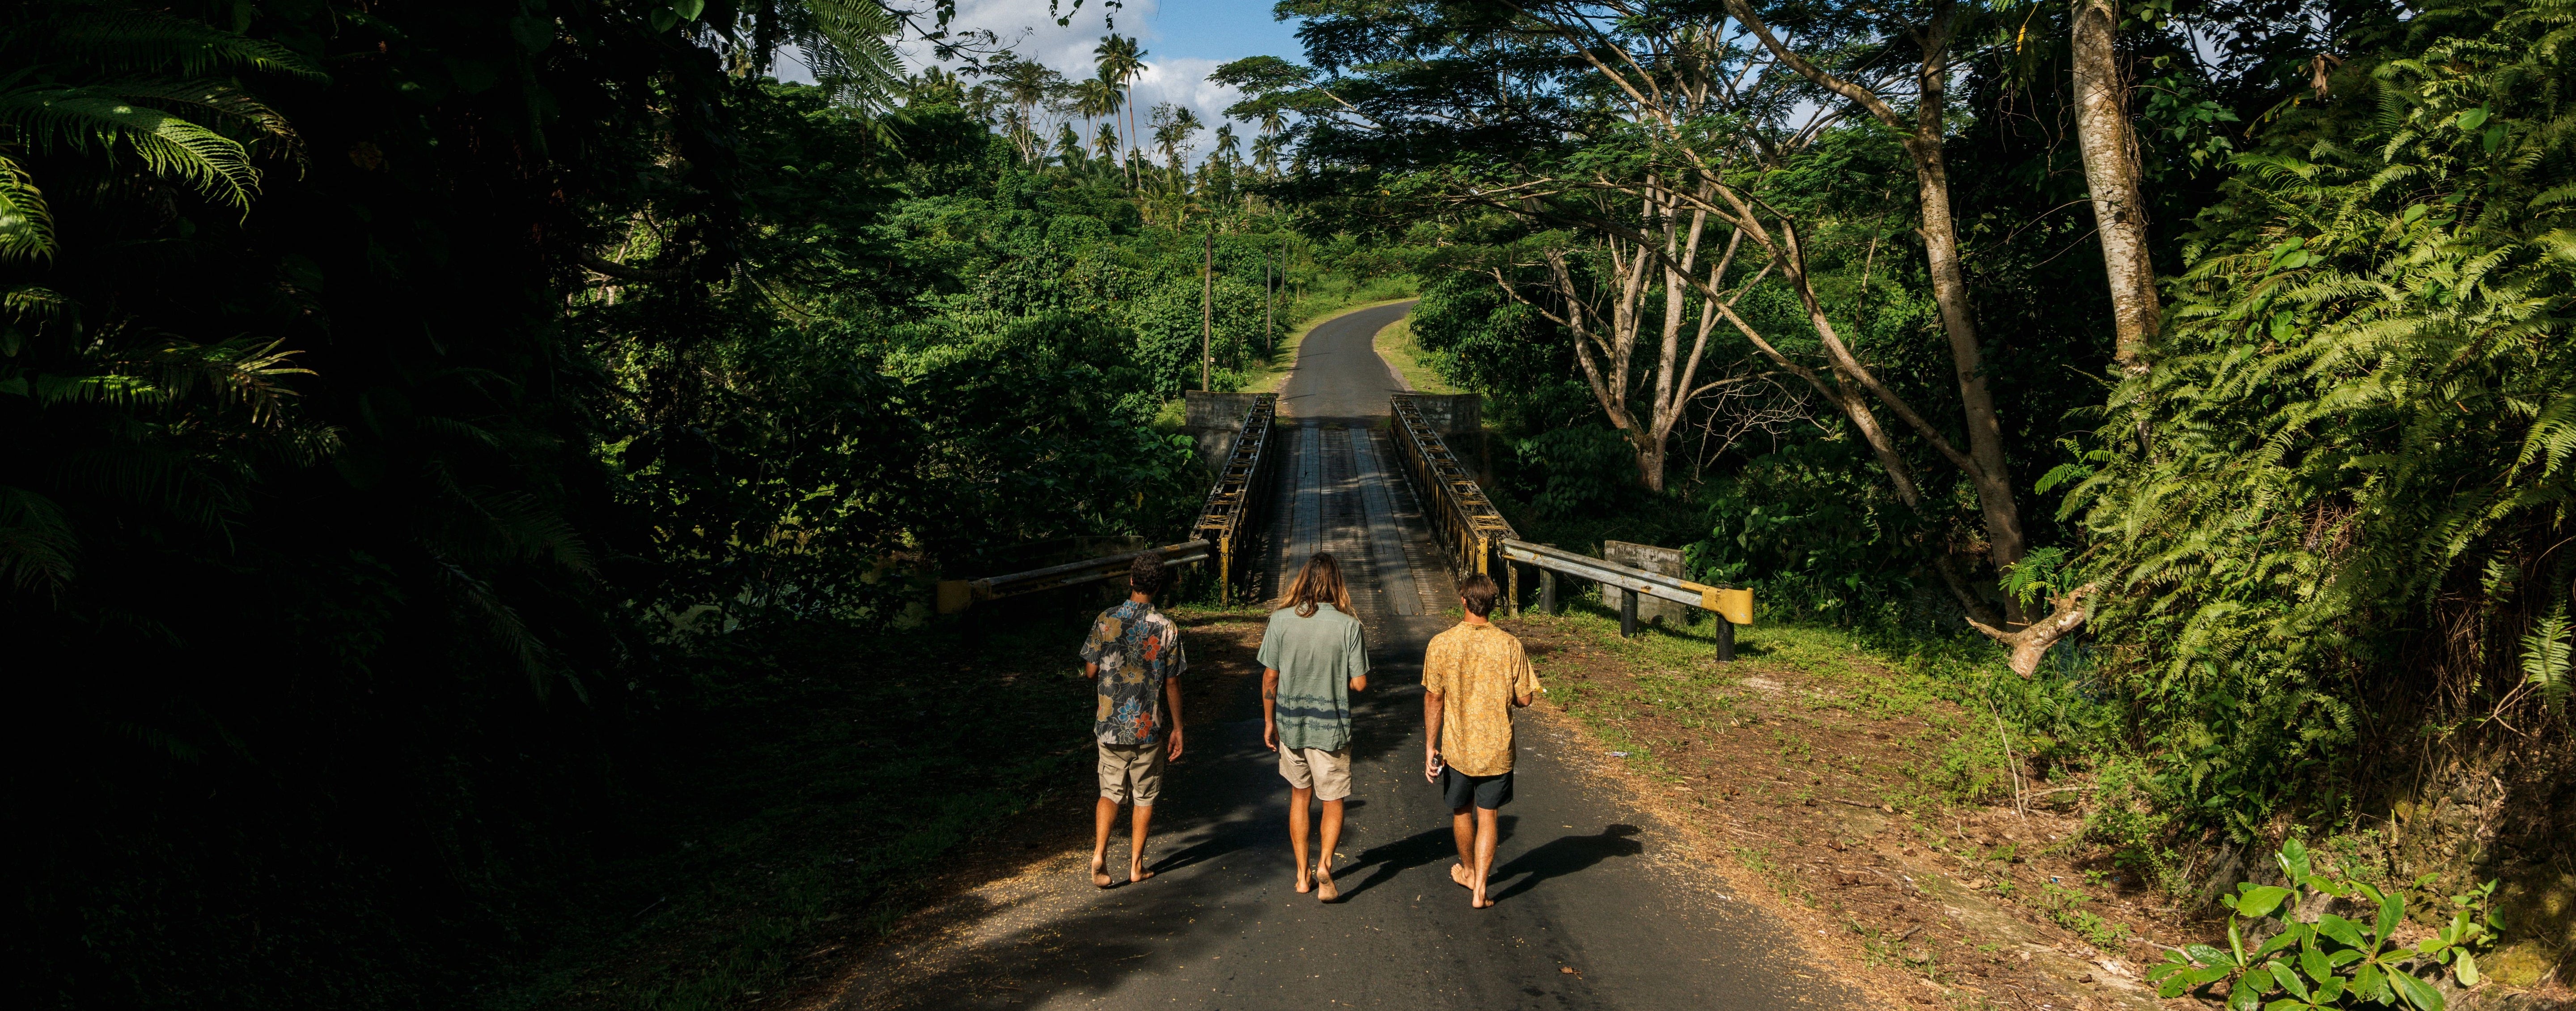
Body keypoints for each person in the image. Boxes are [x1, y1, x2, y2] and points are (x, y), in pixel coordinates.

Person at [1420, 572, 1539, 909]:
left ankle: (1469, 871)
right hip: (1497, 751)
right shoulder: (1509, 645)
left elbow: (1434, 698)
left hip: (1458, 749)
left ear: (1463, 600)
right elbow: (1526, 700)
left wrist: (1431, 745)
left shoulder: (1442, 644)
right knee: (1489, 816)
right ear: (1493, 605)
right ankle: (1481, 890)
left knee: (1462, 811)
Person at [1258, 552, 1369, 902]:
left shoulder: (1280, 621)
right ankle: (1324, 864)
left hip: (1291, 726)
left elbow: (1271, 677)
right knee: (1333, 800)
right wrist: (1342, 681)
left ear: (1303, 581)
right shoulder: (1349, 626)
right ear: (1337, 583)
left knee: (1300, 797)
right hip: (1330, 730)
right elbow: (1361, 684)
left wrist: (1268, 721)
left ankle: (1302, 875)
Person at [1079, 551, 1187, 888]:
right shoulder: (1167, 628)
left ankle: (1100, 853)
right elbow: (1172, 682)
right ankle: (1136, 866)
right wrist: (1179, 728)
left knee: (1110, 791)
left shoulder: (1106, 619)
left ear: (1131, 580)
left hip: (1109, 725)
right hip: (1147, 728)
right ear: (1159, 587)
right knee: (1144, 796)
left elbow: (1090, 671)